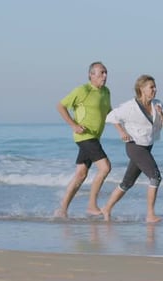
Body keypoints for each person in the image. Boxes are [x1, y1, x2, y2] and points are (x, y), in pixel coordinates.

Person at [101, 74, 163, 223]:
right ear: (141, 89)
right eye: (151, 87)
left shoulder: (157, 104)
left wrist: (161, 115)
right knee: (155, 176)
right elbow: (111, 116)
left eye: (155, 86)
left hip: (147, 147)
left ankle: (106, 208)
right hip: (134, 147)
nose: (155, 89)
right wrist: (122, 132)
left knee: (127, 183)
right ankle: (150, 214)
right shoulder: (130, 106)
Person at [55, 61, 112, 218]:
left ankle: (62, 210)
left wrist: (124, 127)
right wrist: (73, 125)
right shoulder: (82, 90)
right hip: (84, 136)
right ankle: (91, 205)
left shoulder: (106, 92)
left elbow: (109, 113)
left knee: (81, 174)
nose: (105, 76)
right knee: (105, 167)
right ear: (91, 75)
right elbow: (60, 106)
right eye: (101, 72)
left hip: (94, 137)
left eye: (106, 72)